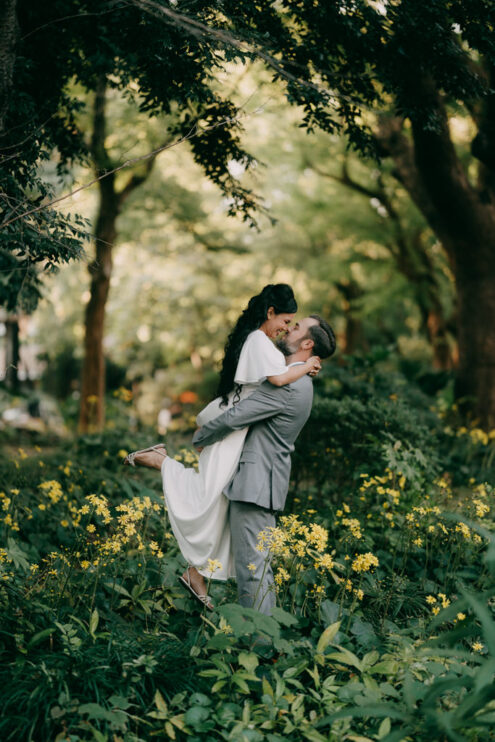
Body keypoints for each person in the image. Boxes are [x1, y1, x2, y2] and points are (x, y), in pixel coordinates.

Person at [124, 285, 321, 607]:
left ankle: (196, 573)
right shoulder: (260, 342)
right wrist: (306, 365)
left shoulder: (264, 346)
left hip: (238, 435)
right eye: (286, 321)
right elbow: (277, 381)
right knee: (207, 495)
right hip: (232, 433)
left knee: (217, 502)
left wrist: (303, 366)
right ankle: (161, 461)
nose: (286, 328)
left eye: (293, 325)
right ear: (270, 312)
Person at [192, 315, 336, 614]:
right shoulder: (297, 378)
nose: (289, 328)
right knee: (256, 566)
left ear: (307, 343)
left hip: (255, 484)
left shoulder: (290, 386)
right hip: (262, 482)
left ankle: (259, 648)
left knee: (252, 570)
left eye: (296, 328)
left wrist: (201, 436)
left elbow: (238, 415)